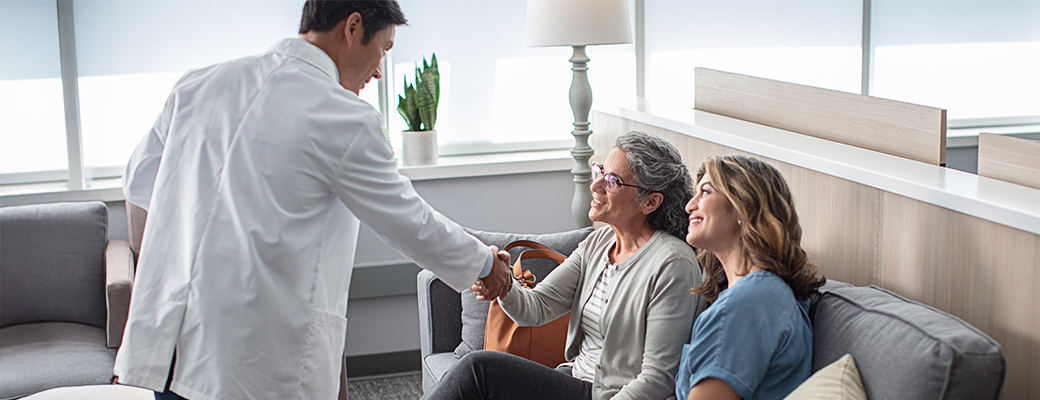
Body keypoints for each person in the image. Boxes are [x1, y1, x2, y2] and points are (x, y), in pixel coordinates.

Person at [114, 2, 512, 399]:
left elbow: (138, 180)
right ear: (353, 27)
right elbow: (409, 221)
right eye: (384, 50)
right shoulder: (342, 117)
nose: (377, 70)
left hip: (172, 345)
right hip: (252, 362)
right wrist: (483, 264)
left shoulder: (198, 84)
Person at [423, 131, 705, 400]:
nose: (595, 185)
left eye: (612, 180)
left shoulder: (673, 265)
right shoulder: (600, 242)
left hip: (605, 396)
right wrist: (502, 283)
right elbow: (535, 308)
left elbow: (658, 379)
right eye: (599, 171)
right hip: (574, 381)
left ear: (651, 202)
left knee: (480, 370)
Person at [675, 155, 826, 400]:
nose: (689, 206)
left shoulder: (749, 303)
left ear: (743, 206)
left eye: (705, 192)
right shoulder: (762, 293)